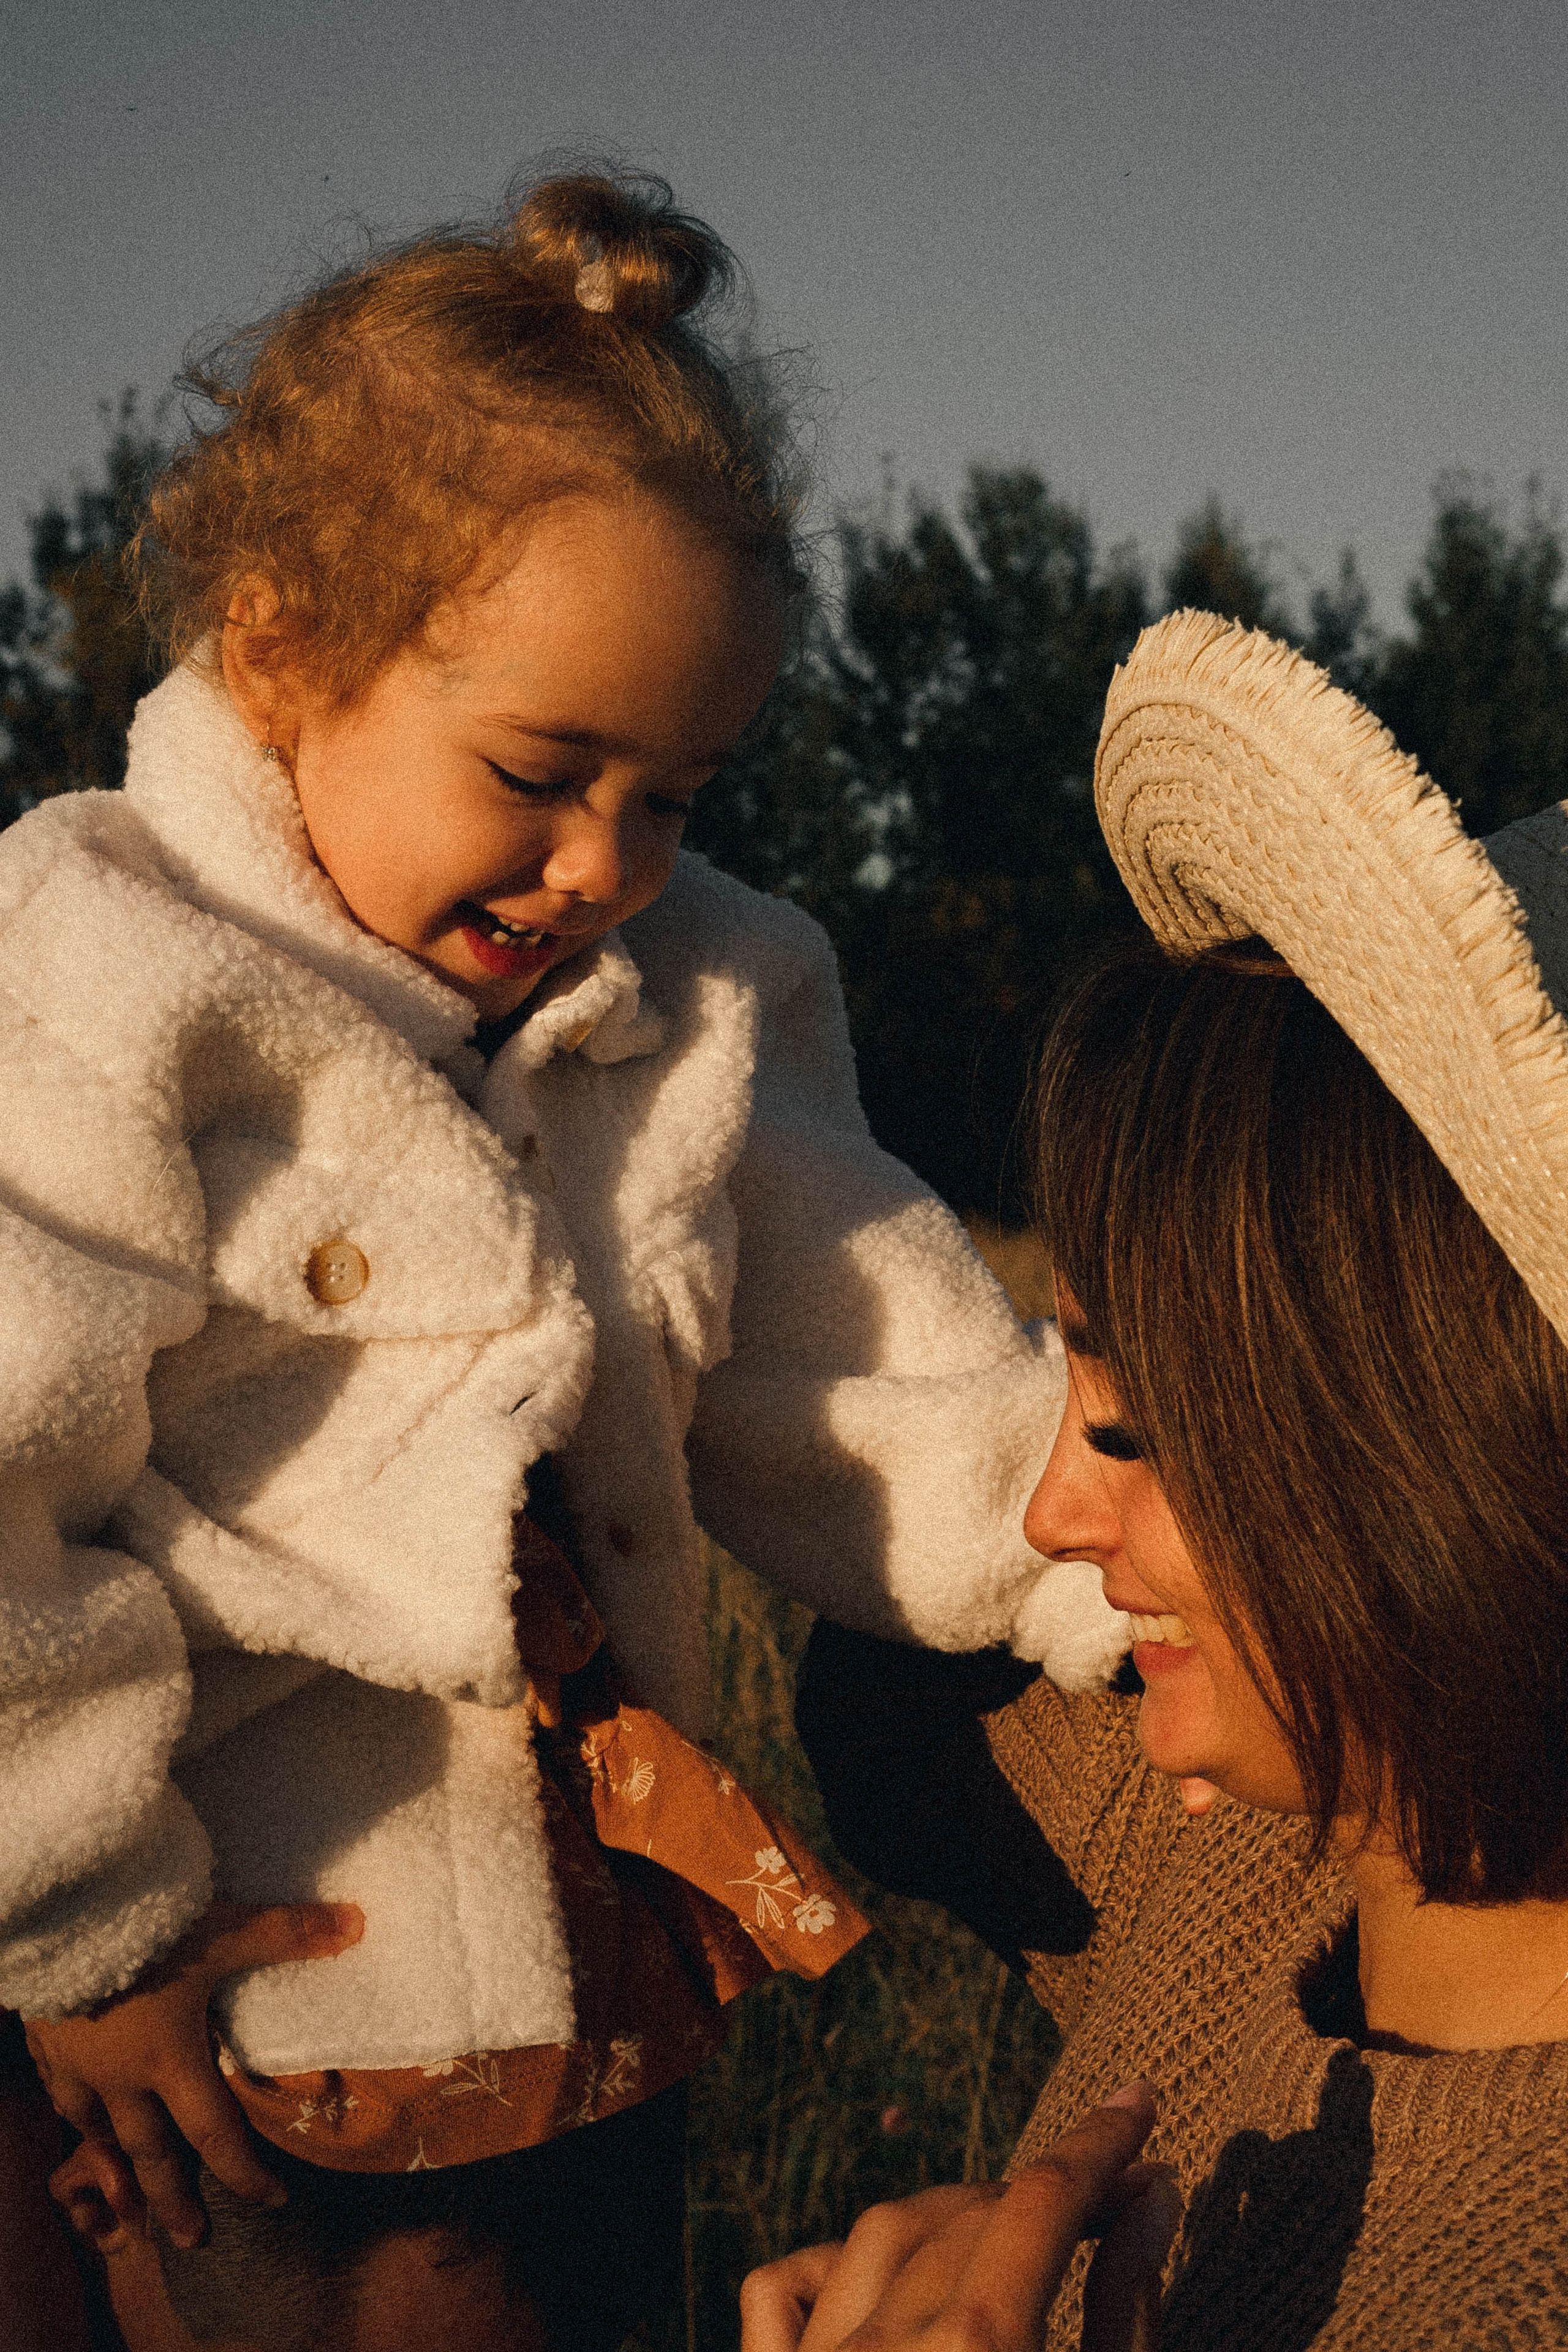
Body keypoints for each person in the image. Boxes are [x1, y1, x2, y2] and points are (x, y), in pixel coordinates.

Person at [0, 172, 1124, 2352]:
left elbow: (875, 1366)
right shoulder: (107, 973)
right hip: (210, 1952)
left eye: (678, 795)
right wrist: (83, 1917)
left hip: (579, 1939)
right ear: (282, 652)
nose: (605, 862)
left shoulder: (699, 1001)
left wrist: (1102, 1563)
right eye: (539, 771)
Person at [777, 608, 1568, 2350]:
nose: (1049, 1515)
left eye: (1135, 1432)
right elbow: (878, 1661)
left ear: (1435, 1457)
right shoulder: (1268, 1848)